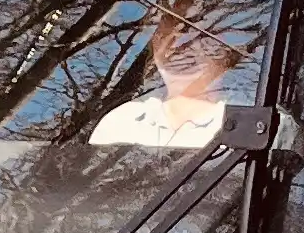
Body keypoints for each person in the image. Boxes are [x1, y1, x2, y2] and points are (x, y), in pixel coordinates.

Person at [89, 9, 247, 148]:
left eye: (204, 41)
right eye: (171, 36)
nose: (184, 48)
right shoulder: (121, 121)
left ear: (226, 60)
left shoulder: (244, 131)